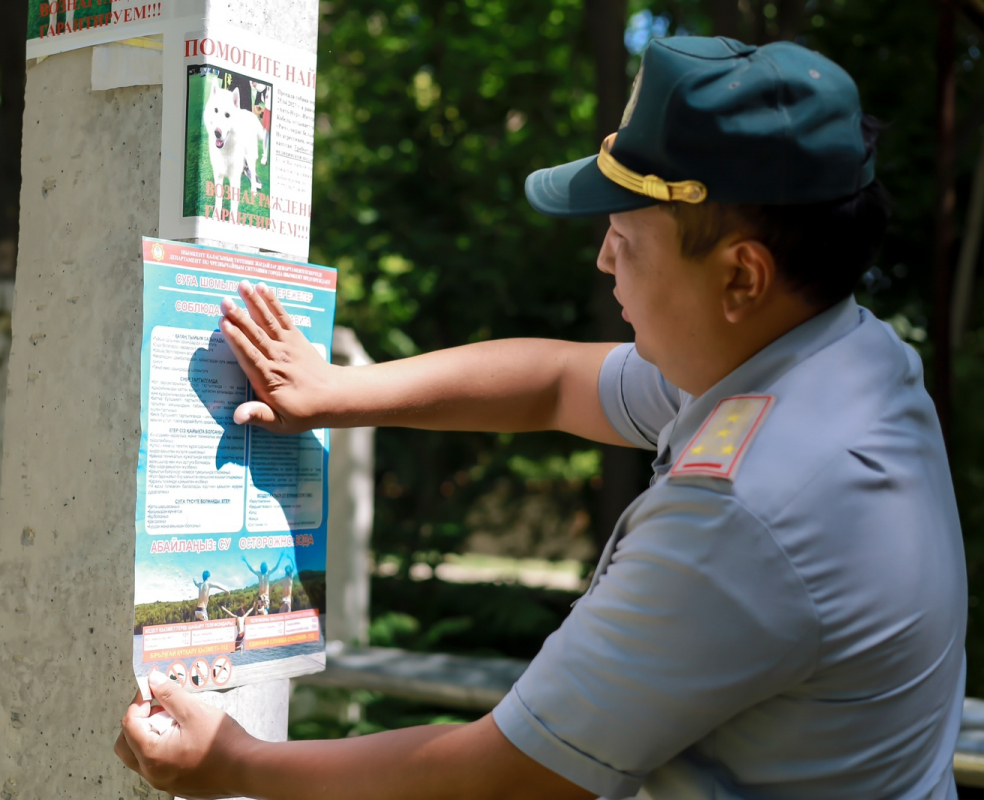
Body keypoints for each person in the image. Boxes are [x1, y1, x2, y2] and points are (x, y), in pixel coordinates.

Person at [116, 36, 966, 799]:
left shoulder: (744, 512)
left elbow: (506, 777)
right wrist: (337, 394)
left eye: (626, 241)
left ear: (741, 276)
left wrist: (232, 763)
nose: (602, 258)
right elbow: (558, 382)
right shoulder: (834, 356)